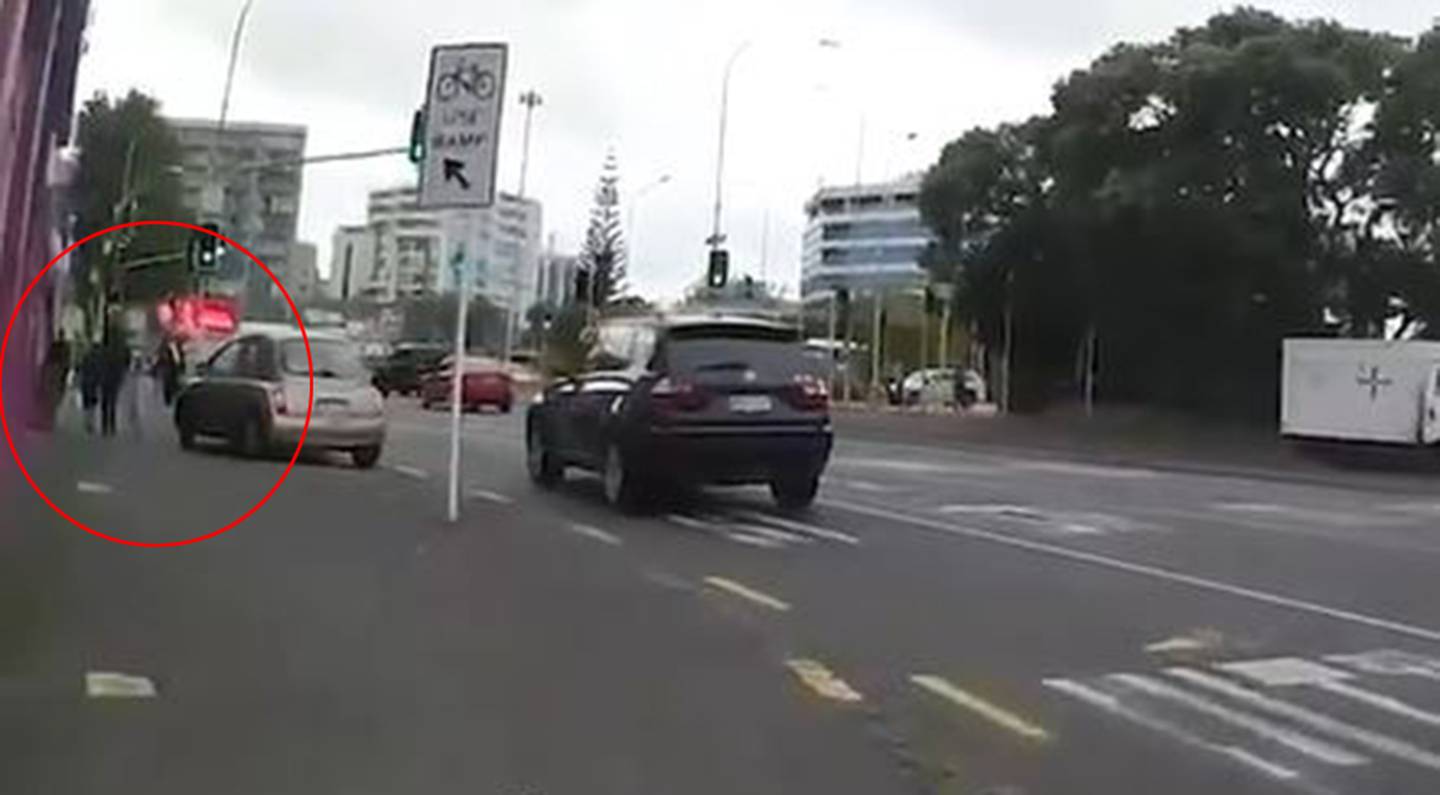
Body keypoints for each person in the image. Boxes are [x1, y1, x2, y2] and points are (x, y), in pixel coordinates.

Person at [99, 324, 131, 437]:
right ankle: (111, 425)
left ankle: (105, 424)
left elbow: (100, 361)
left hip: (105, 376)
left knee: (105, 401)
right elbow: (127, 360)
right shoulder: (121, 348)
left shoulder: (104, 348)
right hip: (115, 376)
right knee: (112, 400)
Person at [154, 335, 184, 407]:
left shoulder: (177, 345)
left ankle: (174, 395)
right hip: (168, 366)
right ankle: (168, 398)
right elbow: (160, 355)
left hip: (176, 366)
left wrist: (182, 365)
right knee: (168, 381)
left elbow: (180, 356)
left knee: (176, 380)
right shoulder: (164, 346)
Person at [79, 343, 102, 434]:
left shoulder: (86, 357)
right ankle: (90, 423)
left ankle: (87, 422)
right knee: (92, 405)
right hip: (93, 384)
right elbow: (99, 372)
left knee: (86, 404)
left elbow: (82, 369)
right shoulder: (98, 359)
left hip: (86, 383)